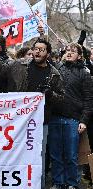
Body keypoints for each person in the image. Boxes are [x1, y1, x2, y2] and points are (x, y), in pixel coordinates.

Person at [0, 36, 64, 189]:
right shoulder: (19, 65)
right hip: (17, 122)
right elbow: (0, 70)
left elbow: (62, 99)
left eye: (41, 50)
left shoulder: (54, 74)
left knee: (37, 160)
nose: (37, 52)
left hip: (40, 124)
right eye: (35, 49)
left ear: (48, 53)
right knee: (13, 156)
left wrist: (50, 94)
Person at [49, 43, 93, 189]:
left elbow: (88, 99)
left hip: (73, 119)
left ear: (79, 56)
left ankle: (72, 184)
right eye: (67, 50)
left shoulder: (84, 73)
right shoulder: (56, 70)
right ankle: (58, 182)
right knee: (56, 154)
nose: (69, 53)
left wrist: (84, 121)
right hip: (55, 117)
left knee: (71, 155)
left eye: (73, 51)